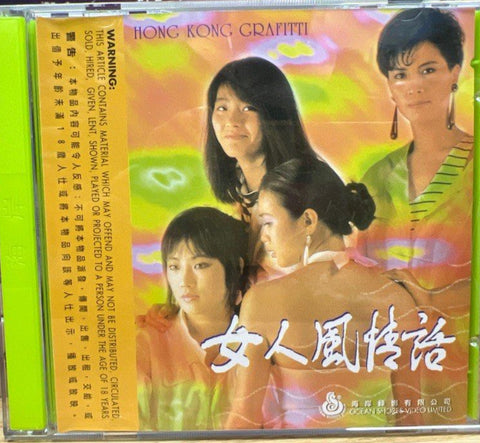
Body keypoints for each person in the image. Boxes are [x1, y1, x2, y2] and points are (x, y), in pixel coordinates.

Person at [225, 159, 424, 429]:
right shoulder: (396, 298)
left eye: (269, 223)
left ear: (308, 220)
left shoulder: (263, 301)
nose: (264, 237)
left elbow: (243, 419)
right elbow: (412, 421)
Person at [359, 8, 472, 424]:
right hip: (388, 380)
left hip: (466, 376)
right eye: (400, 74)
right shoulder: (375, 178)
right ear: (390, 87)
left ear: (455, 72)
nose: (414, 85)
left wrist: (431, 300)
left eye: (428, 69)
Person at [204, 57, 319, 279]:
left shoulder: (307, 187)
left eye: (248, 107)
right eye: (222, 108)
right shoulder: (239, 191)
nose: (232, 121)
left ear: (275, 115)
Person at [136, 207, 248, 431]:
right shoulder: (147, 342)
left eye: (200, 265)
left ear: (236, 267)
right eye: (174, 267)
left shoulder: (258, 342)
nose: (184, 281)